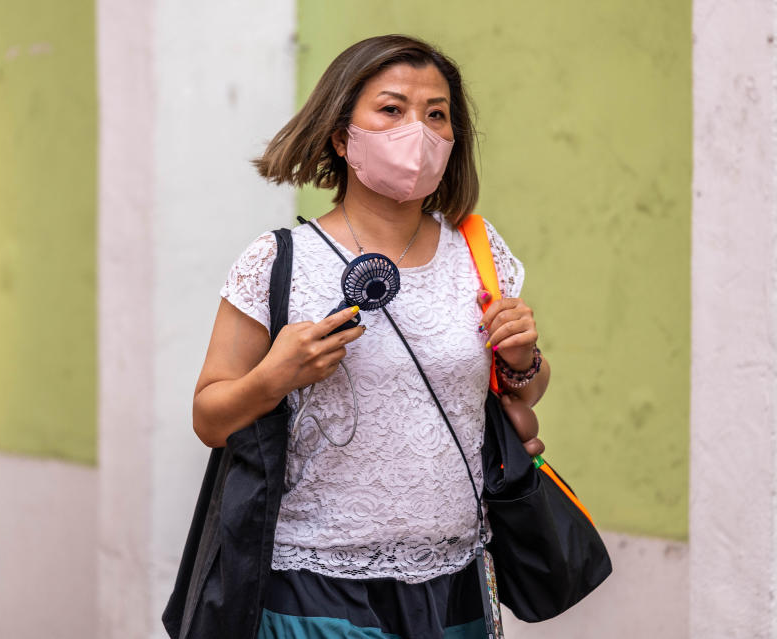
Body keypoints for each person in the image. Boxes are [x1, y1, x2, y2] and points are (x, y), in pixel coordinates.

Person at [191, 34, 549, 639]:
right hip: (317, 584)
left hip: (456, 577)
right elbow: (208, 418)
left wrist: (522, 359)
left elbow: (520, 394)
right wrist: (275, 376)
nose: (419, 130)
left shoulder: (481, 255)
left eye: (437, 114)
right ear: (341, 136)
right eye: (391, 109)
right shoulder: (279, 261)